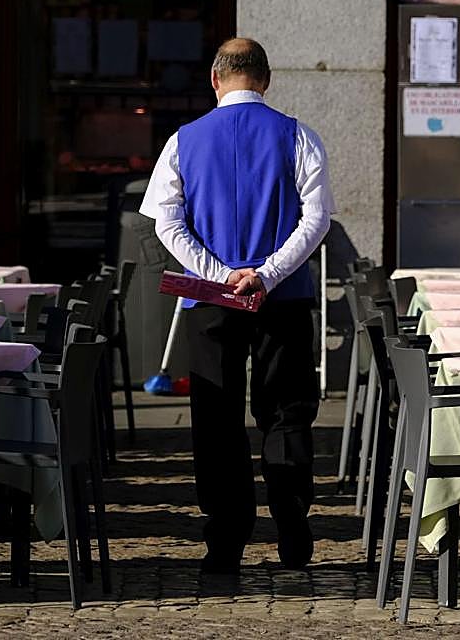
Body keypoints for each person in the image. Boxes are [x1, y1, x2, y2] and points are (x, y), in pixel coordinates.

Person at [139, 37, 335, 574]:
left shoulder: (183, 140)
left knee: (217, 415)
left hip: (211, 299)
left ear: (214, 79)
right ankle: (292, 523)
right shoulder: (299, 136)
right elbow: (315, 222)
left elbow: (164, 221)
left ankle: (225, 539)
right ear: (266, 80)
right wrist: (267, 273)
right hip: (284, 295)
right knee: (287, 411)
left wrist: (220, 274)